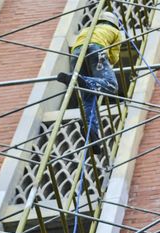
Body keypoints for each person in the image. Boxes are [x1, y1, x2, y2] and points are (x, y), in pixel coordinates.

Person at [57, 11, 122, 153]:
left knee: (88, 96)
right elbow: (114, 57)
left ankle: (91, 131)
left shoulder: (87, 29)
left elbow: (78, 45)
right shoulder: (115, 32)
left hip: (76, 54)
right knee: (111, 85)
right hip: (96, 49)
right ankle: (84, 81)